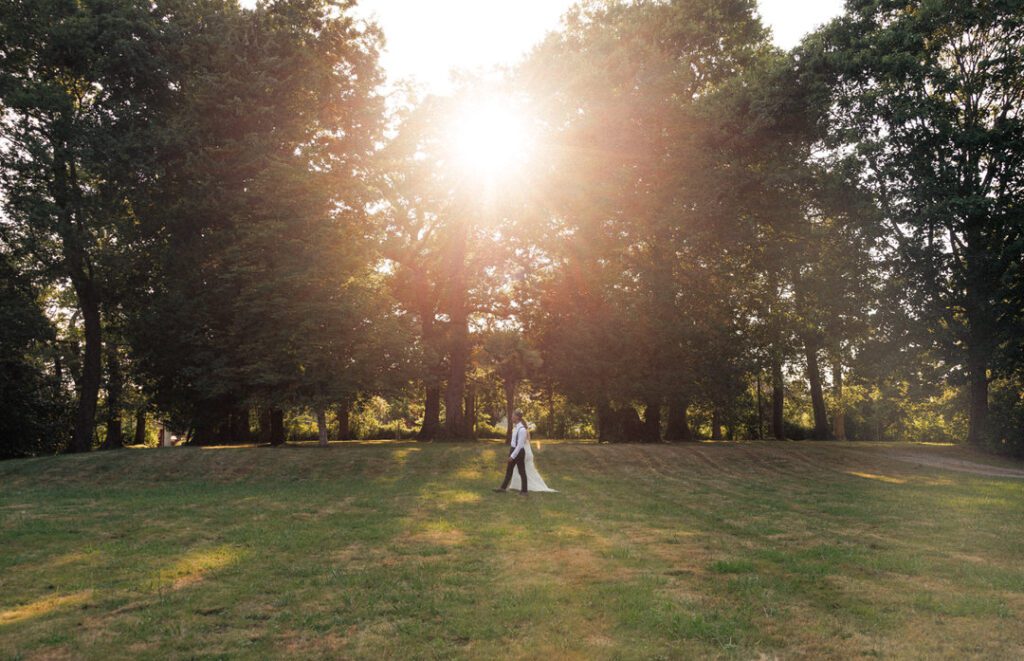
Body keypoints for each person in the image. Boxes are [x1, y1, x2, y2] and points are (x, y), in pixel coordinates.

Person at [495, 409, 529, 495]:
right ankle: (503, 488)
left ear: (517, 417)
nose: (511, 417)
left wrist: (512, 456)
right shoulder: (516, 427)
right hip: (513, 450)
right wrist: (511, 453)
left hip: (519, 452)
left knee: (522, 471)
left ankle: (524, 491)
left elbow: (520, 445)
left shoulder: (522, 429)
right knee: (509, 470)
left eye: (513, 416)